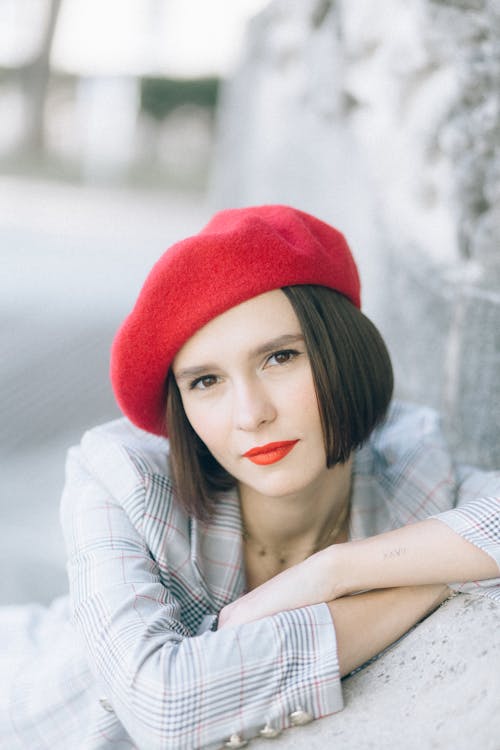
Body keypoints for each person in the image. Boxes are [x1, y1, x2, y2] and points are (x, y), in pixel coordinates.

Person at [1, 204, 499, 750]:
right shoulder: (121, 478)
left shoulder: (408, 462)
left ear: (344, 352)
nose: (251, 414)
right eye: (206, 381)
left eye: (280, 357)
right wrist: (432, 578)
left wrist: (333, 572)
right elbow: (165, 708)